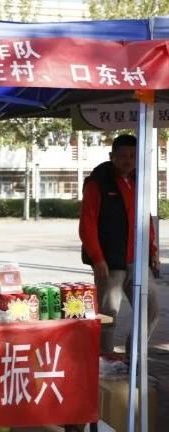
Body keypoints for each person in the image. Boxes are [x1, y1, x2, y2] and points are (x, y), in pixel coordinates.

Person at [79, 134, 159, 354]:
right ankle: (105, 359)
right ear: (111, 156)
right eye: (123, 155)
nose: (128, 160)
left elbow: (145, 220)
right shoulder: (97, 183)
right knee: (108, 315)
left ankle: (133, 356)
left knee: (151, 309)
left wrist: (152, 251)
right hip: (110, 262)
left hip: (138, 261)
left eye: (133, 156)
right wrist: (97, 259)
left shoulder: (137, 182)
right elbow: (87, 224)